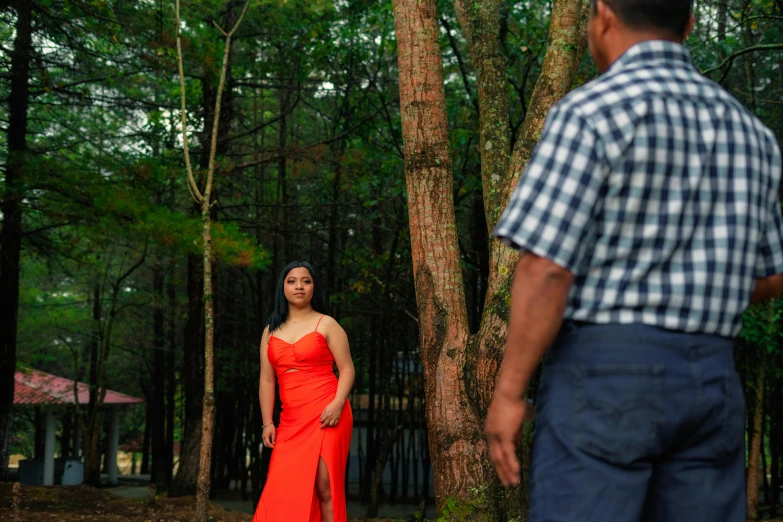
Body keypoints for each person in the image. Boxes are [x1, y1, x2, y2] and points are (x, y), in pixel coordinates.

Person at [485, 0, 783, 520]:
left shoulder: (590, 112)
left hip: (605, 375)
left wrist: (509, 393)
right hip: (710, 378)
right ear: (688, 25)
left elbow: (547, 267)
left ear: (602, 14)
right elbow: (771, 274)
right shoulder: (751, 134)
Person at [252, 261, 354, 522]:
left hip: (327, 413)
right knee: (282, 487)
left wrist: (338, 403)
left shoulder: (327, 324)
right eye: (292, 281)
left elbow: (347, 370)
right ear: (282, 287)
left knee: (324, 485)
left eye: (306, 281)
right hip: (290, 419)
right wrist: (267, 422)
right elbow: (266, 380)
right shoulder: (270, 331)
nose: (299, 286)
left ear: (313, 287)